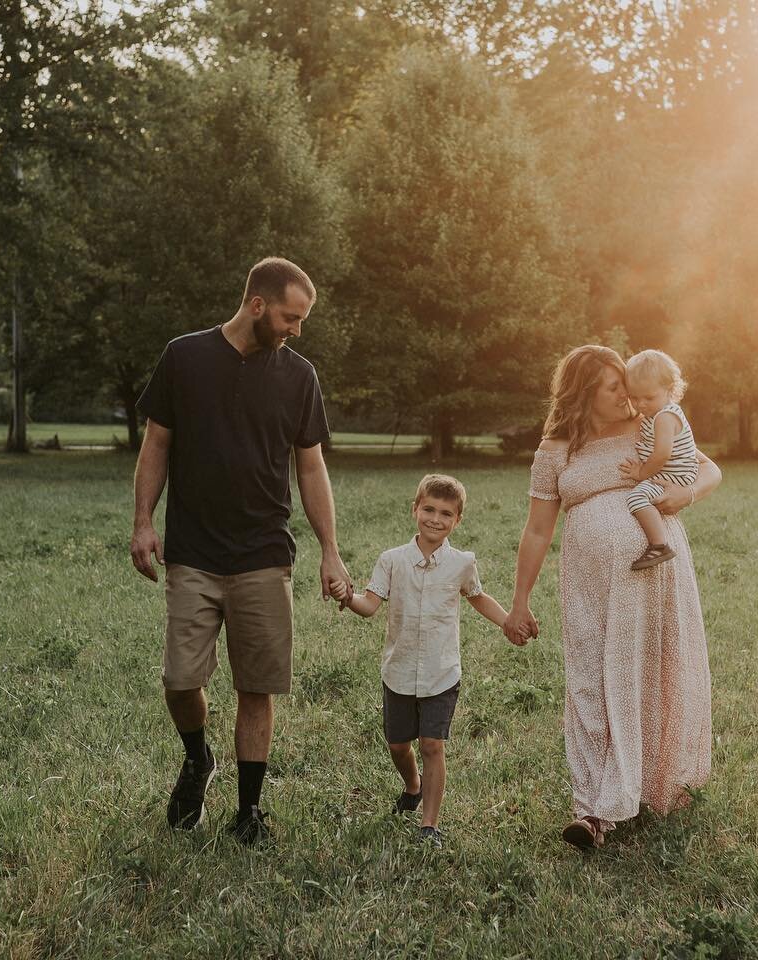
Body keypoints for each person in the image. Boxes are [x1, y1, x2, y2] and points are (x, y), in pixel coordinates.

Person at [130, 257, 350, 841]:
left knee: (257, 686)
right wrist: (143, 521)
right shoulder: (185, 357)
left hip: (263, 553)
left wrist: (330, 550)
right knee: (181, 681)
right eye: (290, 316)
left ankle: (248, 810)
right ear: (257, 304)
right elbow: (156, 443)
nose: (295, 329)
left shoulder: (299, 377)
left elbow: (310, 467)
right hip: (194, 552)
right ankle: (198, 756)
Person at [501, 345, 722, 850]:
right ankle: (593, 808)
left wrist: (683, 495)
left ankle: (649, 786)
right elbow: (538, 530)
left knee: (657, 672)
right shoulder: (556, 450)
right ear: (584, 394)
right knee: (592, 677)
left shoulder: (650, 426)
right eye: (613, 387)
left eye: (626, 382)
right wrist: (520, 600)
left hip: (659, 571)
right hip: (593, 582)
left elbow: (709, 469)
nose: (627, 394)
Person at [331, 474, 517, 848]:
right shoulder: (392, 560)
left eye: (446, 513)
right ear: (414, 509)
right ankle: (412, 786)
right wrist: (346, 596)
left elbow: (478, 597)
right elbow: (369, 606)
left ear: (457, 520)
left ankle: (429, 826)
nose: (436, 518)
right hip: (398, 670)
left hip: (442, 672)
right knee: (399, 745)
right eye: (429, 509)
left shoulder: (462, 563)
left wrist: (509, 622)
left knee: (432, 745)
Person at [623, 349, 700, 571]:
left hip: (676, 474)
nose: (641, 404)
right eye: (634, 398)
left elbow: (662, 455)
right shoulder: (653, 414)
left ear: (669, 389)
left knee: (636, 497)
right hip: (670, 471)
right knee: (640, 494)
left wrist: (641, 473)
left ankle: (659, 544)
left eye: (648, 397)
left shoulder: (665, 416)